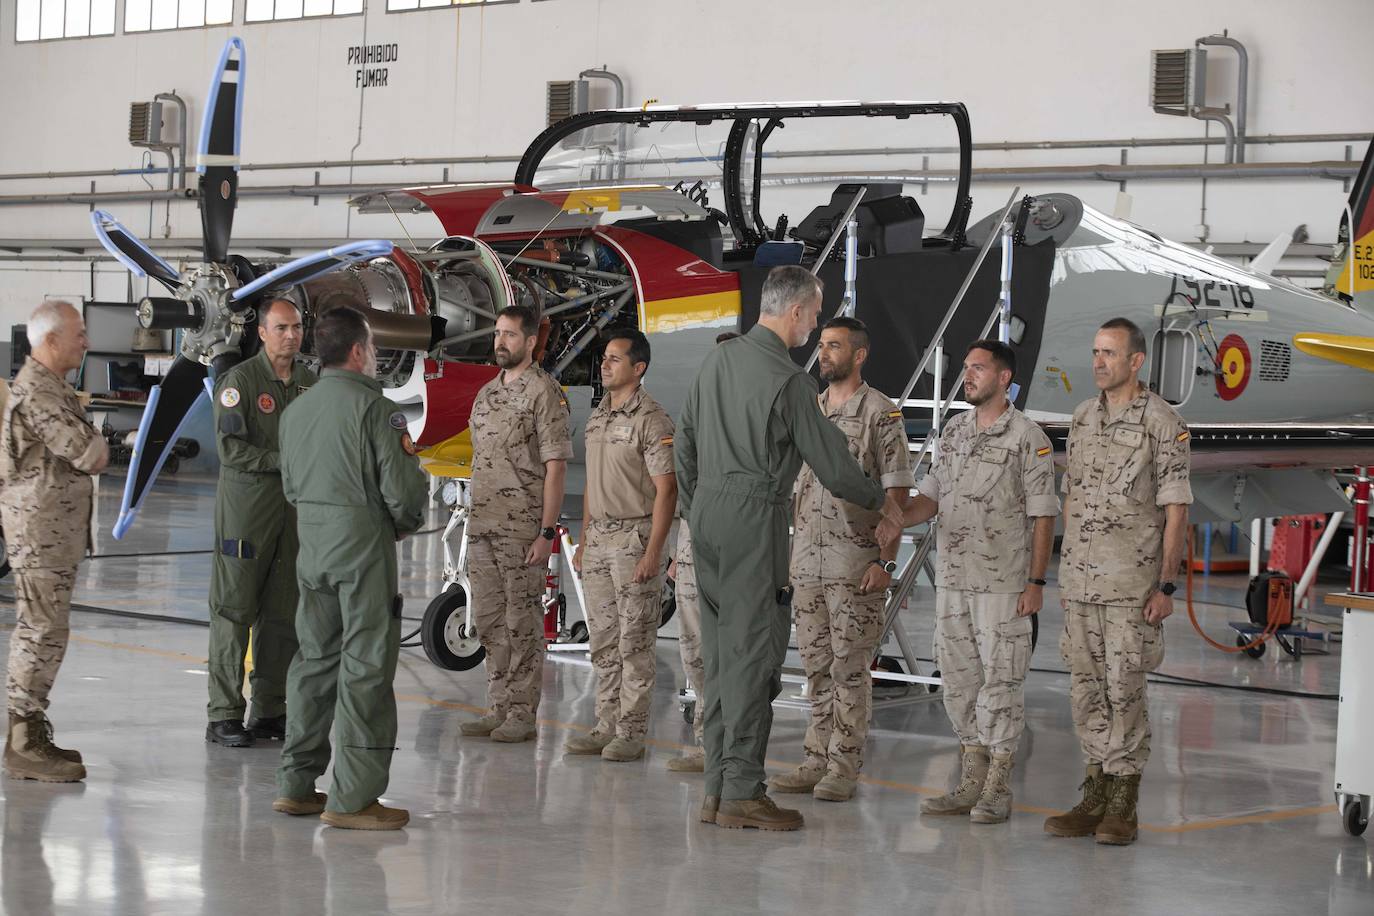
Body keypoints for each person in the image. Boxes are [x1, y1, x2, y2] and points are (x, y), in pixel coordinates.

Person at [675, 266, 904, 831]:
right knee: (753, 659)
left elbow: (684, 442)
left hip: (706, 515)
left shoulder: (718, 359)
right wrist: (885, 505)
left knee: (722, 658)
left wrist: (698, 506)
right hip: (755, 517)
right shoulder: (790, 381)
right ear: (798, 312)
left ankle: (716, 791)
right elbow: (835, 467)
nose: (816, 325)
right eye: (816, 314)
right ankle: (743, 793)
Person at [272, 307, 427, 831]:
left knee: (314, 661)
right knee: (365, 666)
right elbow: (403, 493)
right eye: (374, 348)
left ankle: (296, 785)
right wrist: (401, 521)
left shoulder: (296, 411)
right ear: (359, 352)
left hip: (311, 547)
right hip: (362, 550)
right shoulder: (377, 411)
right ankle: (353, 797)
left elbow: (290, 487)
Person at [1043, 317, 1191, 846]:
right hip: (1080, 583)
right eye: (1095, 351)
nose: (1098, 362)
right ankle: (1094, 792)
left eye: (1109, 353)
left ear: (1136, 362)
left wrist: (1166, 587)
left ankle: (1123, 801)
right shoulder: (1082, 418)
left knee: (1124, 690)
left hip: (1132, 586)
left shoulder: (1161, 422)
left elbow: (1176, 510)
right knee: (1085, 691)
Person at [900, 339, 1058, 823]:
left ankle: (998, 786)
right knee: (959, 683)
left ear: (1004, 378)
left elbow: (1043, 515)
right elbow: (930, 497)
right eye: (966, 368)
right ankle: (970, 780)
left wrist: (1036, 583)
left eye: (978, 369)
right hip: (953, 582)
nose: (967, 376)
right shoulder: (952, 431)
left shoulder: (1028, 438)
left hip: (1002, 584)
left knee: (1000, 685)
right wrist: (894, 516)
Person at [769, 317, 914, 803]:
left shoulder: (880, 413)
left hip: (856, 562)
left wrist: (886, 563)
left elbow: (896, 492)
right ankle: (815, 757)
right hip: (808, 560)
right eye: (822, 345)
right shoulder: (809, 411)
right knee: (815, 664)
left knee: (849, 667)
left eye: (835, 346)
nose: (824, 353)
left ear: (859, 354)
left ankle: (843, 764)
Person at [2, 300, 109, 782]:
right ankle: (22, 740)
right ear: (50, 341)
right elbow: (88, 453)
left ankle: (30, 728)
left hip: (53, 531)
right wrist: (99, 442)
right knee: (39, 630)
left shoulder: (53, 388)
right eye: (78, 334)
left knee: (47, 629)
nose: (85, 342)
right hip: (40, 532)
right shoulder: (39, 393)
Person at [206, 298, 316, 747]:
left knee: (281, 614)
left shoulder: (310, 384)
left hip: (292, 517)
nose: (291, 335)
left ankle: (270, 710)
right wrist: (284, 462)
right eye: (282, 328)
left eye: (297, 327)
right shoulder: (240, 383)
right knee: (233, 611)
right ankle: (223, 714)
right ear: (264, 333)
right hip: (246, 515)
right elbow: (231, 448)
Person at [460, 305, 573, 744]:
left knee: (521, 621)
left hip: (522, 528)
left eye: (509, 335)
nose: (500, 342)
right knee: (488, 619)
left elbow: (556, 466)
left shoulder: (544, 393)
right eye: (497, 334)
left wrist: (547, 532)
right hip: (482, 524)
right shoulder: (487, 393)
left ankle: (523, 714)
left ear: (529, 342)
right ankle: (498, 706)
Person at [567, 329, 676, 762]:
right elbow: (594, 483)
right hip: (599, 539)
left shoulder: (652, 419)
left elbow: (667, 490)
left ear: (638, 368)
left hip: (635, 538)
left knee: (634, 641)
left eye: (614, 359)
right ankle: (605, 724)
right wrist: (585, 537)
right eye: (605, 358)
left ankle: (630, 732)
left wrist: (654, 551)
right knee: (604, 640)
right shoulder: (599, 415)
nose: (605, 365)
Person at [665, 331, 738, 774]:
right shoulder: (699, 416)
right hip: (694, 548)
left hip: (738, 549)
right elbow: (683, 484)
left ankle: (735, 748)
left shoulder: (759, 417)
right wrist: (678, 549)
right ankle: (709, 742)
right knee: (693, 649)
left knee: (732, 649)